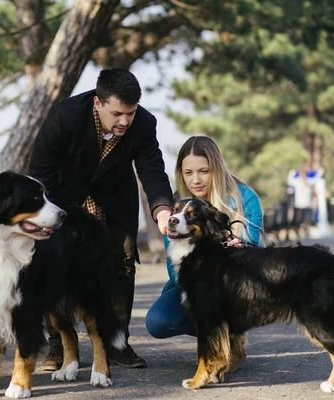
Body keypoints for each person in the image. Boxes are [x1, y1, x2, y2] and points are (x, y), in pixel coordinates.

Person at [28, 68, 173, 369]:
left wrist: (162, 210)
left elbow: (152, 171)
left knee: (122, 260)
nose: (124, 121)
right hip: (63, 200)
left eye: (130, 113)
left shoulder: (144, 123)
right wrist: (41, 217)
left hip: (115, 198)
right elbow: (41, 172)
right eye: (117, 113)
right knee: (56, 270)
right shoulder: (63, 116)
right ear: (98, 102)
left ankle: (116, 343)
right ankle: (60, 347)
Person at [145, 135, 264, 373]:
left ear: (216, 169)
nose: (196, 180)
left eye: (204, 171)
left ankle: (232, 339)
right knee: (158, 322)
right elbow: (173, 260)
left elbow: (253, 251)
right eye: (188, 173)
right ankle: (216, 339)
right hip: (192, 283)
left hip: (236, 287)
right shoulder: (178, 204)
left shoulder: (244, 198)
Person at [287, 167, 314, 235]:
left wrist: (320, 172)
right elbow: (290, 181)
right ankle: (298, 230)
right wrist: (292, 173)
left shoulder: (309, 181)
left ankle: (305, 230)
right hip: (299, 204)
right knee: (298, 219)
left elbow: (316, 179)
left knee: (306, 219)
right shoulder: (297, 181)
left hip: (307, 204)